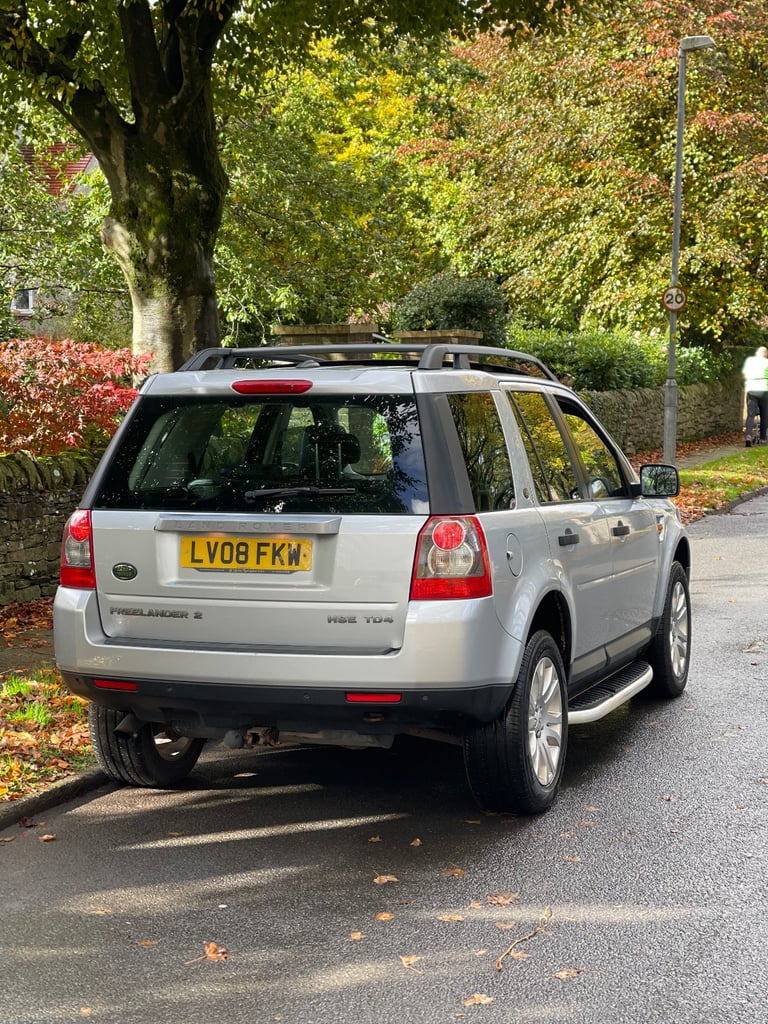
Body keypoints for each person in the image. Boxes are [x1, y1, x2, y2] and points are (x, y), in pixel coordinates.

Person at [741, 345, 768, 446]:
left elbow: (744, 374)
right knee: (764, 415)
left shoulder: (750, 361)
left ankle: (748, 436)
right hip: (764, 390)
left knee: (751, 415)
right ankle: (763, 439)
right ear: (765, 354)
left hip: (752, 390)